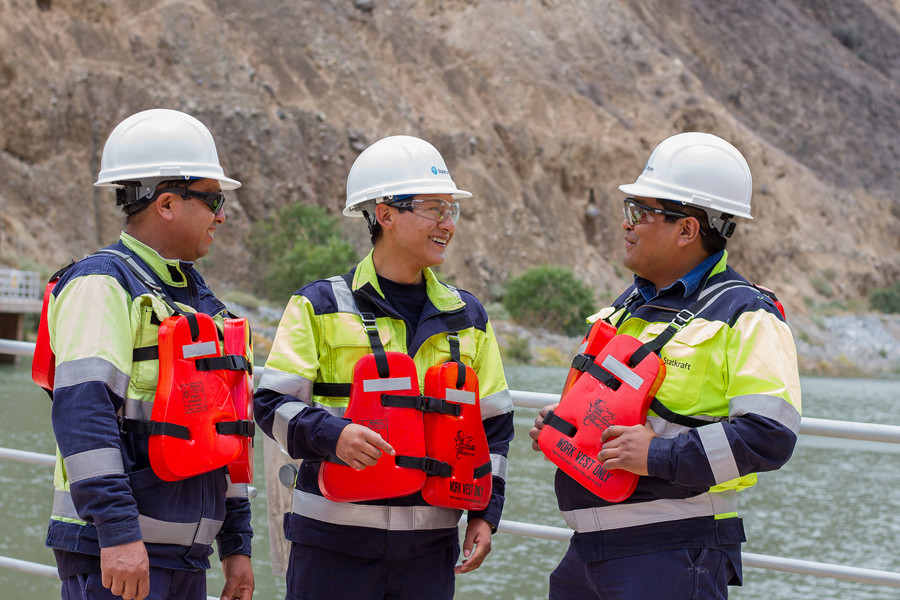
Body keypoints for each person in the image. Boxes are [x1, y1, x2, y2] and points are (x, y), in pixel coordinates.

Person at [529, 132, 801, 599]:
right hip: (588, 553)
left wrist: (658, 455)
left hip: (672, 555)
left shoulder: (746, 314)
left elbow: (770, 436)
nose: (626, 225)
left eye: (639, 212)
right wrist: (565, 430)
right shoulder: (628, 307)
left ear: (687, 230)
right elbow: (620, 413)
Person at [254, 134, 514, 600]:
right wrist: (333, 436)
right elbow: (272, 404)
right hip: (332, 548)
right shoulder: (318, 304)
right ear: (385, 214)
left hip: (430, 553)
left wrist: (484, 514)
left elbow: (494, 428)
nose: (446, 223)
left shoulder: (468, 316)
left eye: (450, 210)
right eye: (433, 208)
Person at [41, 109, 254, 600]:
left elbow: (226, 432)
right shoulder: (103, 284)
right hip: (117, 554)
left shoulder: (198, 300)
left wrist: (236, 547)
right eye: (214, 199)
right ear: (166, 204)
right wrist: (117, 532)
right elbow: (84, 414)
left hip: (183, 557)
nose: (222, 215)